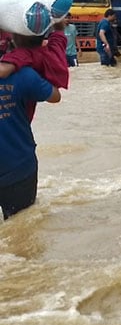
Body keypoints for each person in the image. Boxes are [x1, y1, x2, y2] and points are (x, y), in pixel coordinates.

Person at [0, 38, 63, 219]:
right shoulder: (24, 75)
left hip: (18, 167)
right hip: (18, 167)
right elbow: (55, 96)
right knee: (21, 230)